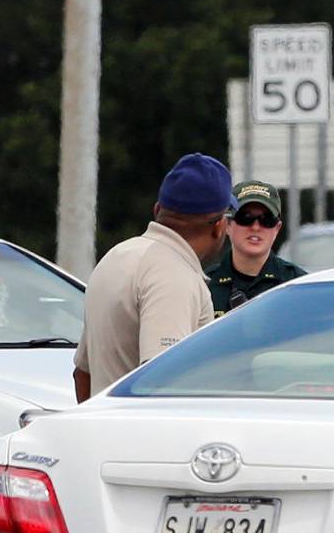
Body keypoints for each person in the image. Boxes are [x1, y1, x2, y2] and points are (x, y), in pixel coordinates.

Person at [73, 153, 232, 401]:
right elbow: (161, 382)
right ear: (219, 226)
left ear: (158, 209)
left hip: (106, 431)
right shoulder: (173, 276)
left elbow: (83, 374)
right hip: (145, 437)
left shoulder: (116, 256)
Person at [205, 181, 305, 315]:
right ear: (227, 225)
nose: (256, 227)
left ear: (277, 228)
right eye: (245, 218)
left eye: (266, 220)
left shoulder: (298, 285)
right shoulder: (205, 285)